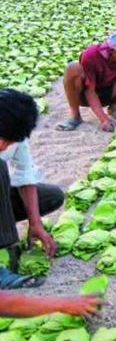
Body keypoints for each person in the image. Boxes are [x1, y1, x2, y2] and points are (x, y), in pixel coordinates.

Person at [0, 89, 63, 289]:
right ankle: (5, 249)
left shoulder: (13, 128)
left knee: (51, 196)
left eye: (10, 141)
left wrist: (35, 223)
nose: (4, 146)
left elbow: (24, 174)